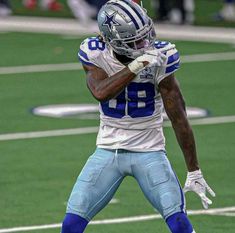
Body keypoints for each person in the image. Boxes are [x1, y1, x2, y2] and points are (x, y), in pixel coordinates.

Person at [61, 0, 216, 232]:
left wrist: (194, 170)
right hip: (107, 151)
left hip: (149, 153)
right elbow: (100, 92)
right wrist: (137, 65)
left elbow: (179, 117)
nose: (145, 43)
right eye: (136, 40)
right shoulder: (96, 52)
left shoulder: (161, 56)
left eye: (145, 35)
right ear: (112, 39)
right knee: (71, 225)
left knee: (179, 223)